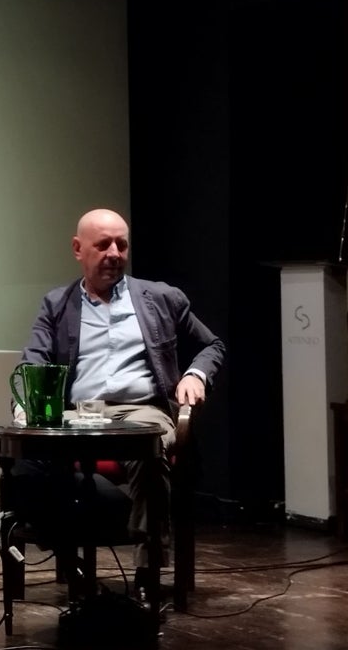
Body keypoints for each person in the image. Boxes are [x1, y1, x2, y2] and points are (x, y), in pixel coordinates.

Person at [12, 207, 225, 589]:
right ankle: (67, 554)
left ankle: (148, 568)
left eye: (121, 245)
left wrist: (196, 374)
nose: (114, 252)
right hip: (78, 414)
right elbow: (34, 360)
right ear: (78, 249)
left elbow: (212, 344)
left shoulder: (161, 298)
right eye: (103, 244)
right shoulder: (57, 305)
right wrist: (26, 405)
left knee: (150, 449)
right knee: (32, 464)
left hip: (142, 410)